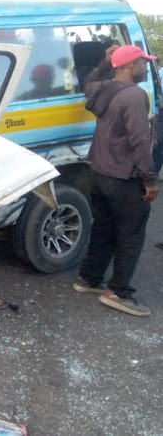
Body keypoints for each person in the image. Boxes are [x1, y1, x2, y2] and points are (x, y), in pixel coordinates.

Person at [72, 45, 158, 316]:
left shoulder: (102, 89)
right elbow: (139, 140)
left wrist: (104, 63)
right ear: (131, 65)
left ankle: (89, 278)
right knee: (130, 234)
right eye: (142, 62)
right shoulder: (134, 95)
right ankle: (119, 292)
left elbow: (88, 82)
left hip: (99, 172)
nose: (145, 66)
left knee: (103, 227)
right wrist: (150, 179)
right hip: (123, 177)